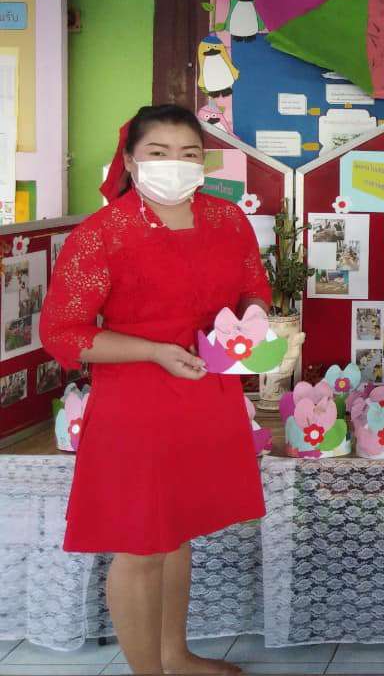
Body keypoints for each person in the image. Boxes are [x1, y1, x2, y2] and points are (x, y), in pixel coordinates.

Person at [41, 104, 271, 675]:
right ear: (129, 160)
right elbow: (63, 332)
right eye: (158, 153)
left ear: (204, 161)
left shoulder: (227, 219)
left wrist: (255, 321)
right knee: (142, 546)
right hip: (136, 405)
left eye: (189, 153)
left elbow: (253, 287)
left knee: (178, 532)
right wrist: (152, 351)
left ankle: (176, 656)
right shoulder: (103, 233)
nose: (176, 164)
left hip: (206, 395)